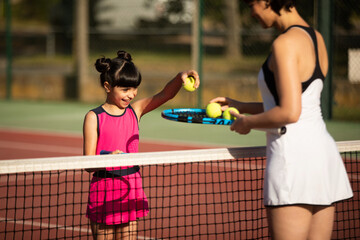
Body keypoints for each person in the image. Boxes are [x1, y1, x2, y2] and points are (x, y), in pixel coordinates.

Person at [210, 0, 353, 239]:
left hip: (293, 162)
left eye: (251, 4)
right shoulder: (316, 38)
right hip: (323, 159)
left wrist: (246, 123)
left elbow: (289, 113)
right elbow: (301, 103)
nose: (251, 12)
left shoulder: (284, 44)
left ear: (266, 1)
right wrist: (241, 105)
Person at [83, 50, 199, 240]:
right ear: (107, 86)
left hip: (131, 189)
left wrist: (181, 77)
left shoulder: (135, 111)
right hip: (103, 191)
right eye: (125, 89)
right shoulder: (93, 117)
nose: (131, 94)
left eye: (134, 88)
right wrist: (107, 158)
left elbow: (165, 94)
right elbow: (87, 164)